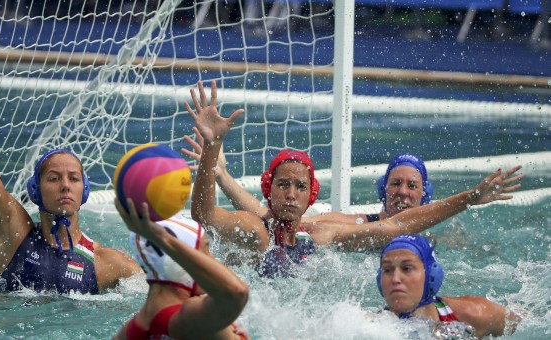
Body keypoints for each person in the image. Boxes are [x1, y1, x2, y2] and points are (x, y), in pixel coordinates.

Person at [185, 80, 523, 277]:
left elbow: (396, 228)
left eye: (300, 187)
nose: (290, 194)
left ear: (311, 196)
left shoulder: (320, 235)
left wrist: (469, 198)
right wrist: (213, 152)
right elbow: (205, 215)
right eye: (283, 185)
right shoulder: (257, 231)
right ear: (268, 189)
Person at [0, 3, 140, 294]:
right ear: (36, 189)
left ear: (85, 190)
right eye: (53, 178)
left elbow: (166, 298)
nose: (65, 186)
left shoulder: (109, 264)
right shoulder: (12, 231)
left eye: (73, 178)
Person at [183, 129, 432, 224]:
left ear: (425, 192)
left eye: (412, 185)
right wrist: (220, 173)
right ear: (383, 188)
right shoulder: (350, 225)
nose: (402, 192)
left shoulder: (441, 237)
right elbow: (267, 218)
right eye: (396, 183)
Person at [112, 198, 250, 340]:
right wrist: (163, 238)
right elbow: (237, 292)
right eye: (205, 251)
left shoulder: (126, 333)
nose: (213, 260)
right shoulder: (189, 317)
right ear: (178, 262)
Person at [377, 234, 520, 338]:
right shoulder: (369, 328)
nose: (395, 279)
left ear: (431, 274)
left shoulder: (474, 314)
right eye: (387, 270)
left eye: (407, 268)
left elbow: (528, 324)